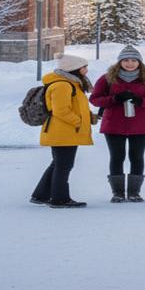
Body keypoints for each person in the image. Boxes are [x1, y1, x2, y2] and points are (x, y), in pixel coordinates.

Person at [88, 45, 145, 204]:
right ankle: (117, 192)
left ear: (139, 62)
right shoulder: (107, 78)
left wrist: (141, 101)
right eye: (126, 60)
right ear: (119, 62)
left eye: (133, 60)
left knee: (136, 157)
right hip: (114, 124)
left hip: (141, 125)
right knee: (117, 157)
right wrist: (114, 99)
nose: (130, 64)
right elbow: (95, 99)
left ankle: (134, 192)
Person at [31, 54, 96, 208]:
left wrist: (88, 117)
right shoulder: (63, 85)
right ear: (74, 69)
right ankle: (60, 199)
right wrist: (79, 121)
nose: (86, 70)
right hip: (63, 131)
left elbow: (74, 107)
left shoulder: (71, 83)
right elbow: (60, 110)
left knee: (58, 164)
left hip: (65, 131)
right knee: (64, 165)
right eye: (84, 67)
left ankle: (40, 195)